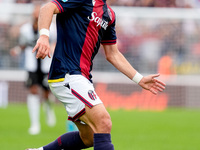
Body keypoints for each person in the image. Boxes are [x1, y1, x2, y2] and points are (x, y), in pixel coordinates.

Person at [26, 0, 166, 149]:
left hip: (82, 77)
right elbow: (47, 8)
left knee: (89, 137)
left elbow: (113, 54)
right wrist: (44, 36)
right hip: (67, 73)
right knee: (103, 122)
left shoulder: (110, 15)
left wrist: (139, 79)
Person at [10, 4, 56, 135]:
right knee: (33, 91)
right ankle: (35, 124)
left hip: (46, 64)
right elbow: (24, 44)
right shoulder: (25, 29)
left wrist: (52, 47)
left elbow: (55, 42)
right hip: (31, 65)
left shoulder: (51, 28)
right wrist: (17, 50)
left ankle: (48, 109)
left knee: (47, 93)